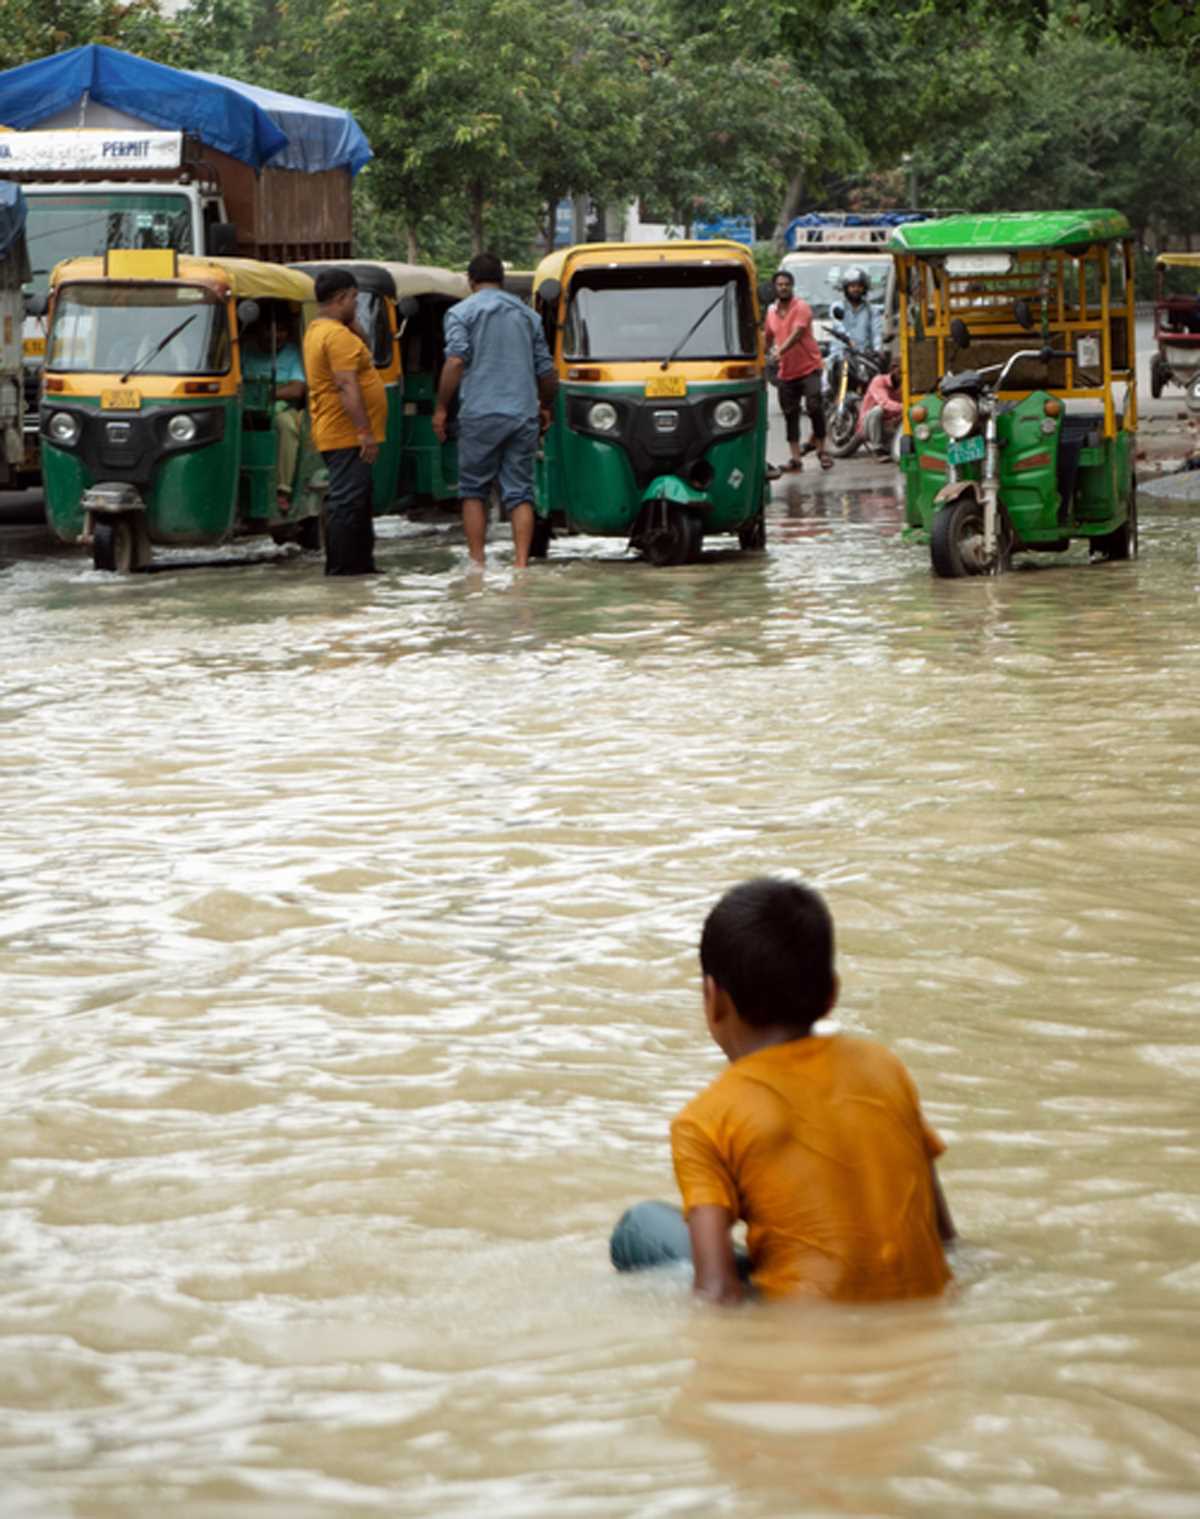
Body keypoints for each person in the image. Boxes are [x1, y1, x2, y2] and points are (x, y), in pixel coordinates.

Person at [610, 877, 955, 1304]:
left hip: (809, 1325)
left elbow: (716, 1293)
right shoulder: (885, 1068)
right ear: (832, 994)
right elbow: (943, 1236)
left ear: (713, 998)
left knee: (641, 1226)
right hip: (921, 1302)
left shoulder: (706, 1120)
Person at [433, 251, 558, 567]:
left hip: (480, 413)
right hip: (522, 414)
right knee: (520, 493)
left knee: (474, 490)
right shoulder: (528, 316)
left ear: (470, 281)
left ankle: (477, 564)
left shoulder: (461, 313)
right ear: (501, 281)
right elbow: (546, 371)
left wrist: (441, 408)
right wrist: (546, 406)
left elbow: (456, 360)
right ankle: (520, 565)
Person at [302, 268, 386, 576]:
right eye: (353, 298)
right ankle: (342, 570)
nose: (356, 304)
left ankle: (361, 566)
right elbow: (346, 384)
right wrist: (364, 431)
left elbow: (367, 350)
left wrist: (350, 319)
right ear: (340, 297)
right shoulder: (334, 337)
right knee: (348, 502)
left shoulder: (321, 330)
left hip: (341, 431)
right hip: (346, 432)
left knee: (359, 501)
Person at [764, 270, 831, 473]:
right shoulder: (770, 313)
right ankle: (795, 459)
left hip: (809, 367)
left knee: (814, 406)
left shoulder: (801, 307)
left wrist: (779, 351)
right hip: (786, 372)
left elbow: (797, 333)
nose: (783, 287)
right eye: (780, 284)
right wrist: (761, 355)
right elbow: (766, 338)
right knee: (790, 415)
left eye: (787, 284)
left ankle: (822, 451)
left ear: (792, 287)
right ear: (774, 288)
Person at [242, 311, 306, 514]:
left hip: (280, 409)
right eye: (270, 330)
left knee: (286, 425)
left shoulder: (293, 353)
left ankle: (283, 489)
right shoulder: (245, 349)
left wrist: (267, 394)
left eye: (282, 331)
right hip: (245, 408)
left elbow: (297, 389)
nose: (276, 335)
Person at [827, 265, 882, 358]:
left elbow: (876, 333)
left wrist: (877, 350)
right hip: (840, 356)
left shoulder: (872, 310)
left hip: (863, 357)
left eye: (859, 286)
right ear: (846, 288)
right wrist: (848, 340)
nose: (856, 289)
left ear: (864, 288)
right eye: (852, 286)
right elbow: (838, 326)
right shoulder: (837, 306)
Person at [857, 361, 903, 458]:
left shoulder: (903, 387)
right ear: (893, 370)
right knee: (878, 410)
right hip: (868, 425)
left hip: (887, 426)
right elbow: (884, 403)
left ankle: (886, 447)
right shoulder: (879, 381)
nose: (902, 375)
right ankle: (877, 449)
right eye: (900, 372)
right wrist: (904, 407)